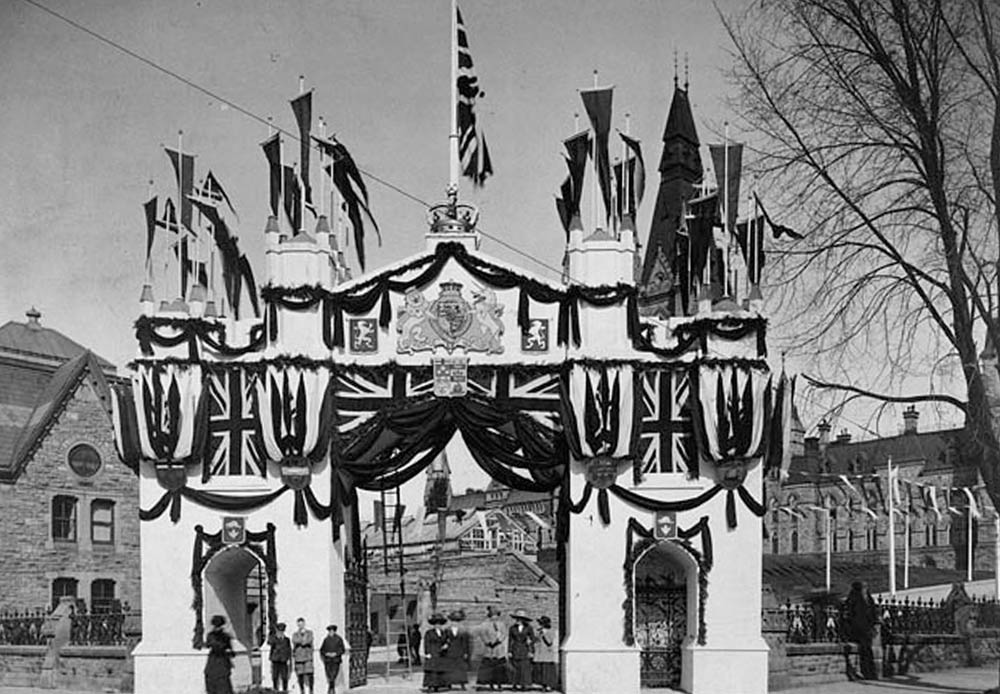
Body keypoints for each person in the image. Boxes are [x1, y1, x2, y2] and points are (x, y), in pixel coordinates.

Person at [844, 581, 878, 679]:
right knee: (864, 649)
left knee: (867, 650)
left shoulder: (869, 599)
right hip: (859, 629)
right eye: (863, 587)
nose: (865, 589)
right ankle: (866, 671)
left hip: (867, 628)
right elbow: (852, 615)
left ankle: (870, 672)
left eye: (866, 587)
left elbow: (872, 612)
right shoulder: (854, 599)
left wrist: (873, 624)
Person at [476, 606, 507, 691]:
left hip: (499, 649)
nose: (494, 617)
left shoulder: (501, 624)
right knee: (489, 668)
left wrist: (499, 640)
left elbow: (504, 634)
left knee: (499, 668)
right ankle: (491, 684)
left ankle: (499, 684)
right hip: (489, 649)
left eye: (496, 615)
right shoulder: (485, 624)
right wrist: (488, 642)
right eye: (492, 615)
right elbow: (482, 634)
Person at [204, 614, 235, 694]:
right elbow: (213, 645)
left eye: (220, 626)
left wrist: (230, 652)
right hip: (213, 667)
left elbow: (231, 651)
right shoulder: (211, 636)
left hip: (223, 668)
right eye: (217, 626)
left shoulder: (225, 636)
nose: (218, 628)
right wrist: (225, 648)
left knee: (225, 690)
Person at [507, 609, 535, 691]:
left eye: (520, 618)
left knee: (524, 667)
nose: (518, 620)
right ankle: (514, 684)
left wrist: (531, 650)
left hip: (524, 648)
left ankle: (524, 684)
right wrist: (509, 651)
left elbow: (533, 639)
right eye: (517, 618)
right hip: (515, 648)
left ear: (524, 620)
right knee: (515, 667)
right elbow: (510, 640)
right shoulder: (512, 628)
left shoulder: (529, 628)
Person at [443, 609, 471, 690]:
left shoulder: (463, 630)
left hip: (460, 651)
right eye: (453, 620)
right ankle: (449, 683)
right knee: (450, 667)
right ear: (451, 621)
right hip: (450, 651)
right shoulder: (447, 630)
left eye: (457, 621)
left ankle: (462, 684)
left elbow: (465, 642)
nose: (455, 622)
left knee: (461, 668)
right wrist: (445, 645)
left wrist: (466, 652)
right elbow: (444, 640)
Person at [423, 613, 448, 692]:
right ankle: (430, 686)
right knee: (432, 670)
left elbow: (446, 641)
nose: (438, 625)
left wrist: (446, 646)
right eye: (436, 624)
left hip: (441, 654)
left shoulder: (443, 633)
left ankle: (438, 686)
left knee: (439, 670)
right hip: (432, 653)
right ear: (433, 624)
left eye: (440, 624)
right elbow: (426, 643)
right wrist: (427, 653)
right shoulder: (429, 633)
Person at [532, 616, 558, 692]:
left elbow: (549, 642)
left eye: (541, 623)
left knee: (548, 671)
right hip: (540, 654)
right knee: (542, 671)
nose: (540, 625)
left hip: (547, 654)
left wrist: (544, 634)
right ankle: (543, 685)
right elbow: (536, 641)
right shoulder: (539, 631)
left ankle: (549, 685)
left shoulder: (551, 631)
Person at [320, 624, 346, 694]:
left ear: (334, 631)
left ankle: (331, 688)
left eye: (332, 631)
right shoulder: (326, 640)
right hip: (328, 660)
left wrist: (336, 654)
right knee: (329, 674)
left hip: (336, 660)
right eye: (329, 631)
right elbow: (322, 650)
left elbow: (342, 649)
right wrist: (326, 654)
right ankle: (332, 688)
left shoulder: (339, 639)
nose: (331, 632)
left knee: (334, 675)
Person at [292, 617, 316, 694]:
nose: (300, 626)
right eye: (299, 624)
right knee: (300, 674)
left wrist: (302, 642)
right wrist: (303, 641)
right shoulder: (295, 634)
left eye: (302, 624)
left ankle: (311, 690)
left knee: (310, 673)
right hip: (299, 657)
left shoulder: (309, 633)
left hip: (308, 656)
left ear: (304, 624)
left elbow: (310, 640)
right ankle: (302, 690)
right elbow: (295, 640)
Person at [269, 622, 292, 693]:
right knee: (275, 677)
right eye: (279, 631)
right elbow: (271, 647)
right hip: (275, 660)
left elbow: (289, 649)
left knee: (284, 677)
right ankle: (275, 690)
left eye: (281, 631)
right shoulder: (274, 639)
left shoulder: (287, 640)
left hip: (283, 660)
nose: (280, 633)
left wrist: (289, 659)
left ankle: (285, 690)